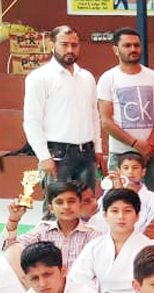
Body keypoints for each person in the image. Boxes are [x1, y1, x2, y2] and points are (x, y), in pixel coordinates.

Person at [22, 25, 100, 192]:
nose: (70, 50)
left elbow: (94, 115)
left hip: (87, 154)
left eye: (74, 45)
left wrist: (98, 149)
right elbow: (32, 121)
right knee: (56, 204)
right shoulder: (39, 78)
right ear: (52, 45)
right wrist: (44, 156)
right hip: (57, 155)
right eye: (64, 44)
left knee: (87, 204)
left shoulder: (87, 77)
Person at [97, 27, 154, 197]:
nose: (133, 49)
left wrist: (150, 145)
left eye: (136, 45)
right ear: (116, 49)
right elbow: (106, 121)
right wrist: (136, 144)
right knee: (119, 198)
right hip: (120, 152)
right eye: (127, 45)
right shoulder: (108, 78)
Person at [67, 188, 154, 293]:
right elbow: (79, 280)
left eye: (127, 211)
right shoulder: (94, 246)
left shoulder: (150, 249)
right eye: (114, 211)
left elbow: (152, 285)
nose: (121, 217)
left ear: (137, 216)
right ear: (105, 216)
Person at [0, 180, 101, 278]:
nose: (66, 207)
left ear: (80, 205)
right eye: (59, 202)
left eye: (71, 201)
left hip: (80, 286)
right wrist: (13, 219)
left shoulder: (92, 235)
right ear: (51, 208)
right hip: (45, 285)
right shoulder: (43, 230)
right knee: (13, 250)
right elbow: (8, 246)